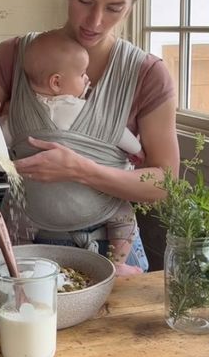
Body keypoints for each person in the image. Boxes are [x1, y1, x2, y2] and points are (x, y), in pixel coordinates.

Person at [0, 0, 180, 273]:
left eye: (114, 7)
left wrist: (83, 170)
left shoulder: (147, 74)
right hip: (22, 252)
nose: (95, 21)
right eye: (84, 0)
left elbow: (165, 183)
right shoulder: (14, 56)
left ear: (134, 3)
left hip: (112, 255)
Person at [20, 29, 144, 275]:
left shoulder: (19, 115)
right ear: (56, 82)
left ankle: (22, 260)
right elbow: (116, 133)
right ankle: (118, 262)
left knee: (18, 219)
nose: (87, 79)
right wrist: (137, 149)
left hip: (39, 209)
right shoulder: (80, 109)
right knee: (122, 213)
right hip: (95, 206)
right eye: (81, 74)